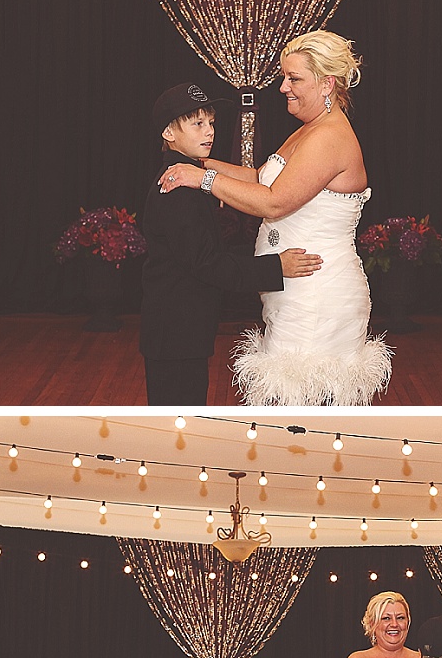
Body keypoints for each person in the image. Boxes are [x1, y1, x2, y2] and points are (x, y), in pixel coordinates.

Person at [158, 30, 392, 406]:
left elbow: (274, 203)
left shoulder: (329, 138)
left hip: (317, 293)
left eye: (294, 78)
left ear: (327, 84)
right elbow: (258, 178)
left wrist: (203, 179)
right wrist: (198, 163)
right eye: (285, 77)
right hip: (295, 289)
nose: (283, 87)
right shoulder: (310, 130)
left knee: (305, 407)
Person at [140, 82, 323, 405]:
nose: (209, 131)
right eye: (197, 123)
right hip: (175, 333)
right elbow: (207, 263)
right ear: (168, 132)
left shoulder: (189, 176)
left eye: (211, 122)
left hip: (180, 331)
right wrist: (276, 267)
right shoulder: (178, 188)